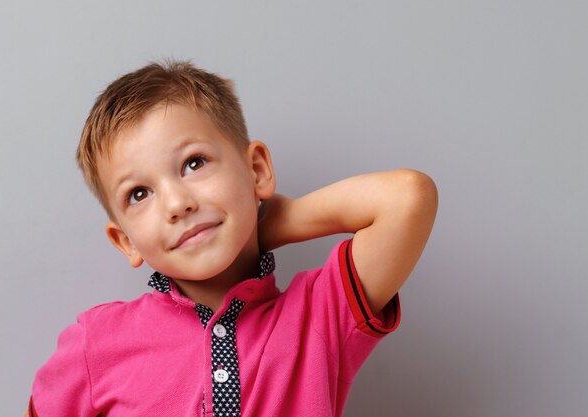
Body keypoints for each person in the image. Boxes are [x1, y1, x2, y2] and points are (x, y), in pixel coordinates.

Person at [26, 60, 438, 417]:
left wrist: (274, 220)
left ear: (256, 170)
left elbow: (407, 197)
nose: (176, 203)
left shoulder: (319, 316)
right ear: (126, 241)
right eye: (139, 193)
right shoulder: (96, 342)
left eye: (193, 163)